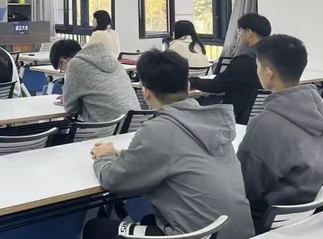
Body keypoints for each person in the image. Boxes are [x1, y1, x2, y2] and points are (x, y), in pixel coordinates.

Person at [85, 50, 254, 239]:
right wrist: (121, 154)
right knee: (150, 219)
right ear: (188, 86)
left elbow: (114, 180)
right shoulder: (211, 122)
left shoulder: (158, 130)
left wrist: (105, 156)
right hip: (240, 233)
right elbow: (178, 154)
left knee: (96, 228)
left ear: (145, 92)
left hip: (195, 235)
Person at [237, 34, 323, 232]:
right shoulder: (320, 111)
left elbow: (243, 188)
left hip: (267, 219)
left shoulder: (265, 125)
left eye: (258, 66)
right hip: (312, 212)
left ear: (268, 73)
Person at [189, 13, 271, 123]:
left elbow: (217, 84)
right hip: (263, 118)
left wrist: (191, 81)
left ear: (248, 32)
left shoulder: (246, 61)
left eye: (239, 30)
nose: (239, 35)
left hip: (236, 117)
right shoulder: (275, 57)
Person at [50, 39, 139, 122]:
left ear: (63, 62)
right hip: (136, 123)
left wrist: (68, 99)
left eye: (62, 69)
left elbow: (71, 109)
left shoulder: (74, 65)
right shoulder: (113, 60)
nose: (64, 72)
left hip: (110, 128)